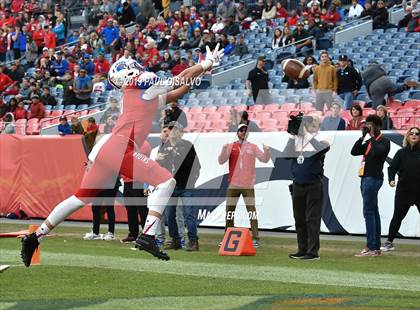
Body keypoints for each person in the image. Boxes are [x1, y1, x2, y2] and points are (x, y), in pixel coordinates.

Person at [21, 45, 224, 265]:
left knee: (80, 198)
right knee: (167, 182)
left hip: (111, 148)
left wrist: (203, 71)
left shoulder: (137, 93)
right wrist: (206, 63)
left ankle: (35, 236)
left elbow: (178, 91)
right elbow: (181, 77)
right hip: (121, 147)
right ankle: (147, 235)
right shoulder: (143, 83)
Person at [282, 116, 330, 261]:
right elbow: (285, 155)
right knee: (299, 219)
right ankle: (302, 248)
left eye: (309, 123)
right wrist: (292, 136)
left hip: (314, 184)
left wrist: (307, 134)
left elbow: (322, 149)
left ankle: (313, 251)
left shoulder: (321, 138)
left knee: (312, 218)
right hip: (298, 184)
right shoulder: (297, 140)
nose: (307, 126)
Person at [218, 124, 270, 248]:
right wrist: (223, 150)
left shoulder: (253, 147)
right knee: (229, 212)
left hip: (247, 185)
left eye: (245, 130)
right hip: (233, 184)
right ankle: (227, 237)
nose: (243, 132)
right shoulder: (231, 146)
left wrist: (267, 151)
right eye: (241, 130)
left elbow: (264, 159)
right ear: (237, 133)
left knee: (251, 211)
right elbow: (221, 161)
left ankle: (256, 238)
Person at [157, 121, 201, 251]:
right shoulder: (164, 146)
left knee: (188, 214)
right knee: (170, 215)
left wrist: (177, 155)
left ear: (180, 132)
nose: (172, 132)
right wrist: (158, 160)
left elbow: (195, 166)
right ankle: (175, 239)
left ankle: (193, 240)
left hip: (186, 186)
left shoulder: (187, 145)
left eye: (176, 129)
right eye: (170, 129)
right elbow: (160, 167)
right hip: (171, 186)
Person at [351, 115, 390, 257]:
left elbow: (379, 151)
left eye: (370, 125)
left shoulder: (384, 141)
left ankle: (371, 246)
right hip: (365, 178)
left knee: (368, 212)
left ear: (378, 126)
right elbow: (354, 151)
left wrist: (372, 136)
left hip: (373, 179)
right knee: (373, 211)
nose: (368, 127)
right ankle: (375, 246)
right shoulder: (369, 142)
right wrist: (362, 137)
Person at [381, 127, 420, 252]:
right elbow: (391, 168)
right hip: (404, 190)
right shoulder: (401, 153)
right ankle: (389, 242)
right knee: (397, 217)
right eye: (411, 133)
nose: (414, 135)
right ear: (407, 136)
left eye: (417, 134)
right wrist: (391, 179)